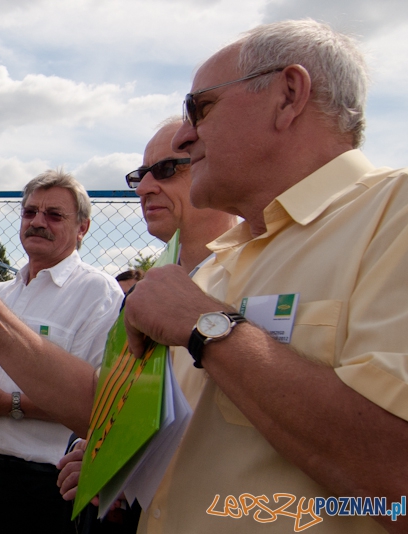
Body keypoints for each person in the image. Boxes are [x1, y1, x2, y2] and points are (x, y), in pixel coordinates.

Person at [119, 20, 406, 533]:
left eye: (201, 108)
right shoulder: (223, 261)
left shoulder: (394, 215)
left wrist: (207, 327)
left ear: (288, 95)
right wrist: (127, 469)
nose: (185, 137)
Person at [57, 118, 237, 533]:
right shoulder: (145, 293)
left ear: (215, 161)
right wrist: (111, 457)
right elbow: (131, 406)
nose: (142, 188)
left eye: (167, 169)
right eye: (140, 175)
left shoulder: (261, 274)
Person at [0, 170, 124, 534]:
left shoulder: (98, 294)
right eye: (30, 213)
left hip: (36, 487)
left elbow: (97, 400)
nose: (38, 222)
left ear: (83, 228)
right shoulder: (1, 292)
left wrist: (8, 404)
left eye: (54, 215)